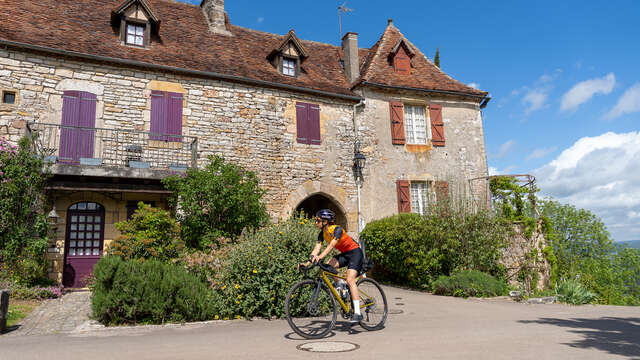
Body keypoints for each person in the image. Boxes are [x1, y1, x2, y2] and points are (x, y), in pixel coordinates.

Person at [300, 209, 364, 323]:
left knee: (350, 279)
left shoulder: (337, 229)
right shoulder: (322, 234)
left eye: (318, 220)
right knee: (328, 266)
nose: (316, 223)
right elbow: (316, 249)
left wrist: (320, 257)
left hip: (355, 252)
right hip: (345, 254)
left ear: (325, 221)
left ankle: (358, 313)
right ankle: (341, 286)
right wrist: (307, 263)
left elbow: (331, 245)